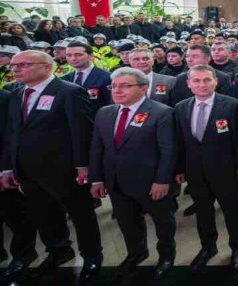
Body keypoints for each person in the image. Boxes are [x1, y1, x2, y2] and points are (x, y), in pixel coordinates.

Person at [0, 50, 103, 284]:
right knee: (43, 214)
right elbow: (12, 133)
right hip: (27, 170)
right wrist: (7, 167)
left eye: (23, 65)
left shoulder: (70, 92)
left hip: (63, 169)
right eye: (14, 65)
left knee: (81, 215)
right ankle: (59, 250)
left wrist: (83, 165)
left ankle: (91, 256)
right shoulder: (16, 94)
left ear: (47, 67)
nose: (15, 69)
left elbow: (81, 132)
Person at [89, 67, 177, 281]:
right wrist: (97, 178)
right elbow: (97, 148)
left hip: (151, 183)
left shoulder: (161, 112)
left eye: (125, 86)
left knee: (163, 222)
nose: (117, 90)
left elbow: (169, 150)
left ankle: (166, 257)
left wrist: (162, 180)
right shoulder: (105, 112)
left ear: (143, 88)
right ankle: (136, 253)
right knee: (128, 222)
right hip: (116, 181)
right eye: (114, 86)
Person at [173, 65, 238, 274]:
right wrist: (179, 168)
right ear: (188, 84)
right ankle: (208, 247)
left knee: (232, 211)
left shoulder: (231, 105)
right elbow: (179, 141)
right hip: (195, 171)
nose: (202, 84)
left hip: (224, 169)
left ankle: (237, 248)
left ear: (215, 81)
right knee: (203, 211)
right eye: (196, 81)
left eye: (206, 80)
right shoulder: (180, 107)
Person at [0, 88, 38, 281]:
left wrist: (5, 168)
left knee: (15, 214)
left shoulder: (5, 98)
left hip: (2, 169)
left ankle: (24, 254)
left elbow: (9, 135)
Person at [170, 44, 234, 106]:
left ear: (207, 59)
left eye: (195, 56)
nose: (189, 60)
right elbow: (176, 104)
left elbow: (225, 104)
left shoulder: (222, 78)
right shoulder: (181, 78)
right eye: (187, 56)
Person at [63, 42, 112, 112]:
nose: (73, 58)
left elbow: (110, 105)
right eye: (69, 55)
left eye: (78, 55)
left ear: (91, 56)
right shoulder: (65, 78)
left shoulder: (106, 77)